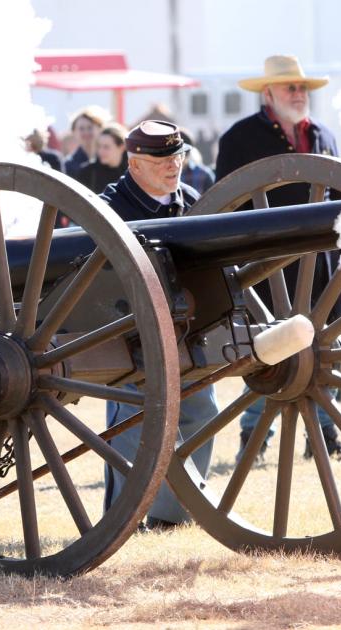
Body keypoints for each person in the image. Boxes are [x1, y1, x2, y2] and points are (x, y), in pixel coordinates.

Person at [216, 55, 341, 463]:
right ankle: (254, 439)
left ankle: (325, 438)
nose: (299, 94)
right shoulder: (240, 139)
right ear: (268, 93)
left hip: (320, 266)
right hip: (269, 265)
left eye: (303, 88)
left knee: (323, 351)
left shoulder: (324, 136)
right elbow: (226, 205)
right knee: (267, 353)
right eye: (291, 87)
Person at [100, 120, 220, 531]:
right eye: (164, 159)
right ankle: (121, 521)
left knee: (202, 412)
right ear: (135, 164)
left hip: (185, 331)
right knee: (134, 424)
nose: (175, 166)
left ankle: (169, 517)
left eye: (179, 156)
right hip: (128, 331)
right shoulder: (109, 208)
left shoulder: (189, 199)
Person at [75, 122, 128, 194]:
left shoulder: (132, 173)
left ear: (122, 147)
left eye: (106, 147)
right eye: (99, 146)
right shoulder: (87, 172)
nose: (100, 151)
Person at [62, 105, 109, 178]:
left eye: (90, 127)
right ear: (74, 132)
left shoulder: (108, 158)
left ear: (100, 129)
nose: (86, 132)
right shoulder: (69, 164)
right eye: (81, 128)